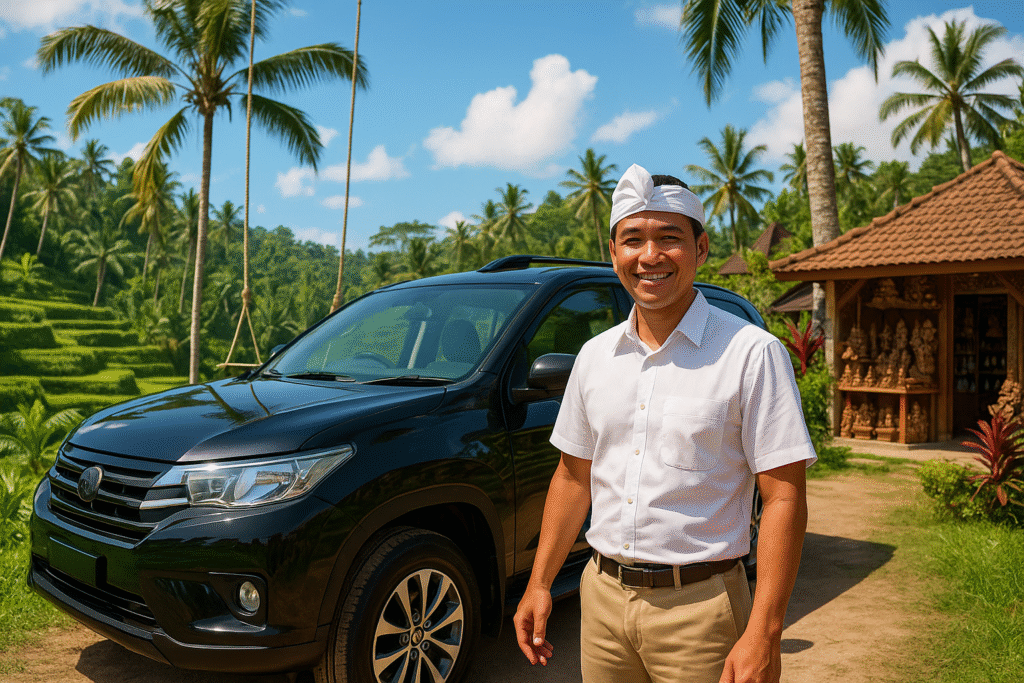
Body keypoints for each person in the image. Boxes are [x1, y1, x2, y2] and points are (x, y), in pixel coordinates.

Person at [513, 163, 816, 683]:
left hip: (703, 611)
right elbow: (571, 477)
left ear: (700, 249)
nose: (649, 256)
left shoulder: (750, 354)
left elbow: (784, 496)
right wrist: (539, 582)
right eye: (632, 239)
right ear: (614, 255)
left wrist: (764, 631)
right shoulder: (594, 357)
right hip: (602, 600)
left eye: (668, 238)